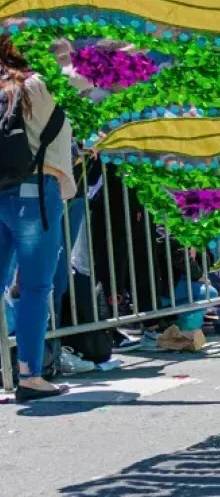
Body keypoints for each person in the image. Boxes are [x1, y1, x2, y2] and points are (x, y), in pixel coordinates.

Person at [0, 33, 76, 400]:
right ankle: (30, 374)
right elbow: (89, 81)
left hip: (1, 193)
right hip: (35, 192)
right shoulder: (38, 85)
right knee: (34, 287)